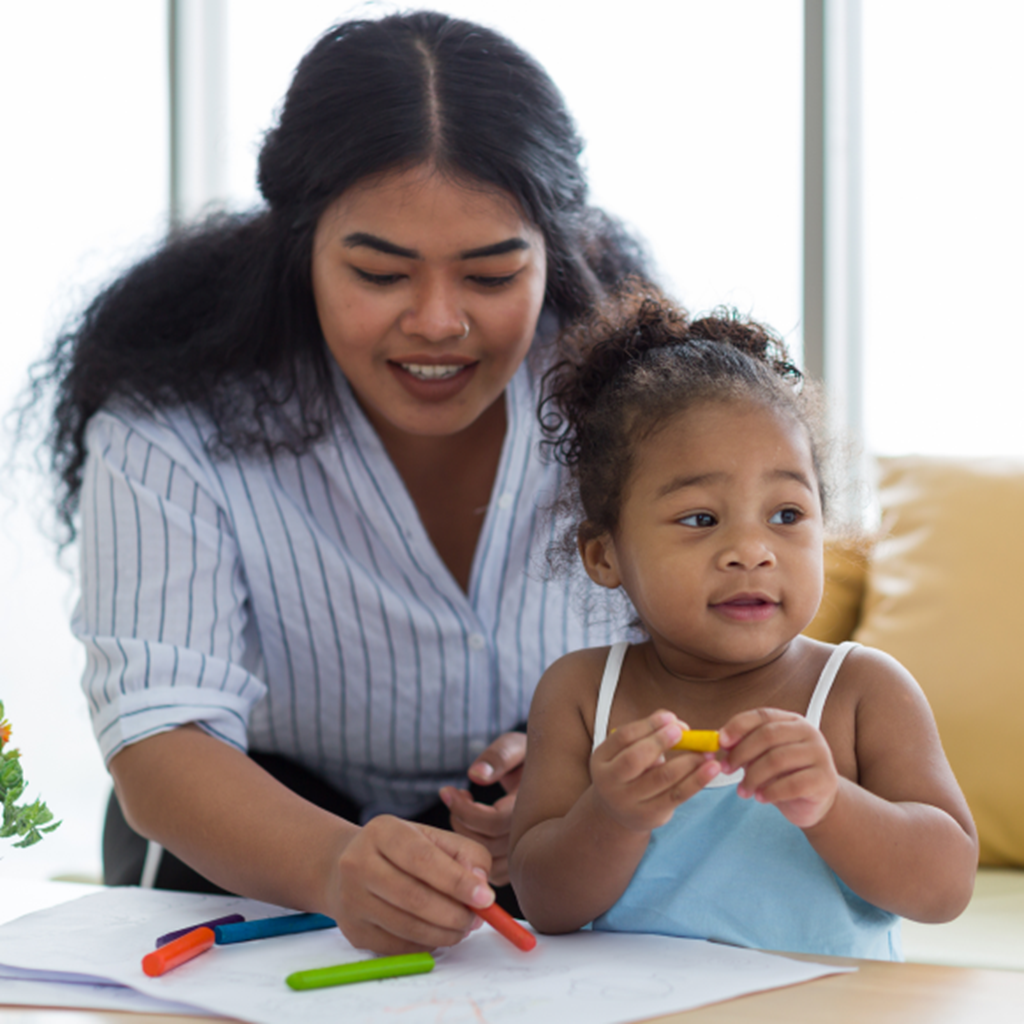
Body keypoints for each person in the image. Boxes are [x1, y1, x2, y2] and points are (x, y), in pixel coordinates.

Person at [34, 11, 647, 955]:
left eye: (490, 274)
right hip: (257, 840)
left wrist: (577, 769)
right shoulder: (169, 425)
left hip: (558, 846)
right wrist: (333, 863)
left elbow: (720, 648)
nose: (438, 322)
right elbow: (160, 734)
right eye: (378, 271)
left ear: (555, 251)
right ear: (302, 246)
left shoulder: (636, 402)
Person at [508, 289, 978, 959]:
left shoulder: (862, 691)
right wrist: (610, 817)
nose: (752, 550)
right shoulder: (583, 692)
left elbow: (945, 887)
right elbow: (545, 903)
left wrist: (832, 803)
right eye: (701, 519)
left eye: (786, 515)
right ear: (604, 554)